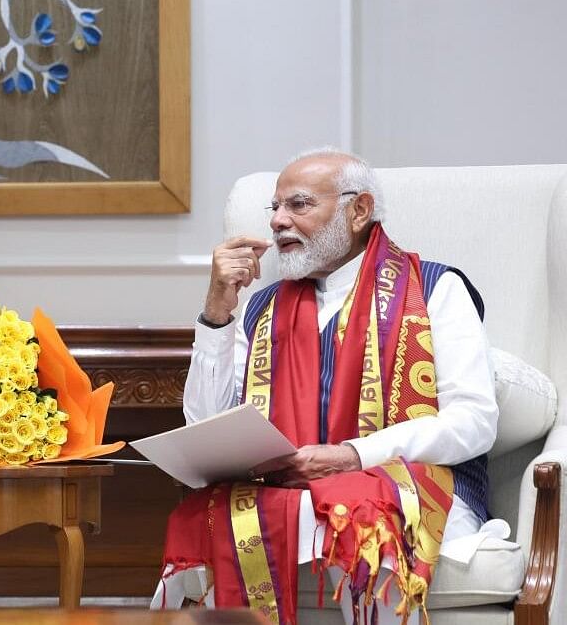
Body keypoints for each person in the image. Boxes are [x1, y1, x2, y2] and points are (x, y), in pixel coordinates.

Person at [151, 148, 498, 624]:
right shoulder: (259, 307)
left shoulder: (435, 288)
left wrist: (353, 456)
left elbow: (474, 421)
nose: (277, 221)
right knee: (212, 516)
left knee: (359, 509)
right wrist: (217, 313)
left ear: (358, 211)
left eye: (297, 205)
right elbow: (207, 424)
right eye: (273, 208)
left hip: (411, 487)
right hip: (289, 489)